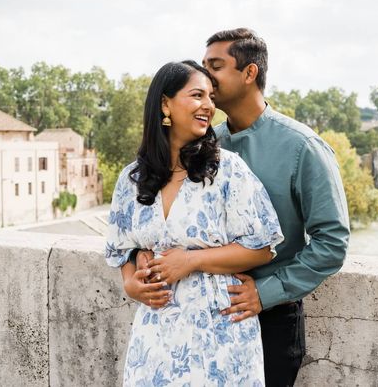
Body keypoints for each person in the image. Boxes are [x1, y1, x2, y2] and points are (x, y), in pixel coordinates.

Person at [138, 29, 351, 386]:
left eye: (216, 66)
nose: (206, 76)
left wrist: (264, 293)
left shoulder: (303, 147)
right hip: (198, 321)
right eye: (203, 67)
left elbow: (332, 244)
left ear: (249, 73)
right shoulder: (204, 144)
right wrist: (142, 258)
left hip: (270, 319)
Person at [105, 60, 284, 386]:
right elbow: (122, 249)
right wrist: (131, 284)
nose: (209, 106)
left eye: (211, 97)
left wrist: (191, 260)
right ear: (165, 103)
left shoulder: (228, 169)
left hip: (219, 335)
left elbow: (263, 247)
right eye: (197, 95)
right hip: (155, 337)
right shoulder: (132, 179)